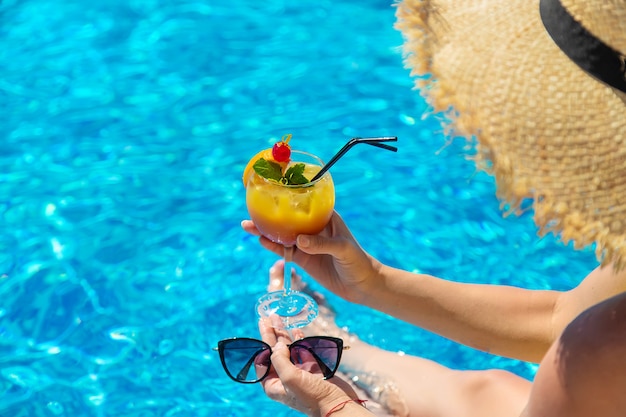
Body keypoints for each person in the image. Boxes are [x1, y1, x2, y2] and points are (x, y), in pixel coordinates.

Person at [242, 0, 626, 415]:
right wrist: (371, 283)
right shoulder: (599, 342)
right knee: (491, 388)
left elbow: (578, 343)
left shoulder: (599, 352)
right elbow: (557, 321)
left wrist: (335, 409)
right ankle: (348, 347)